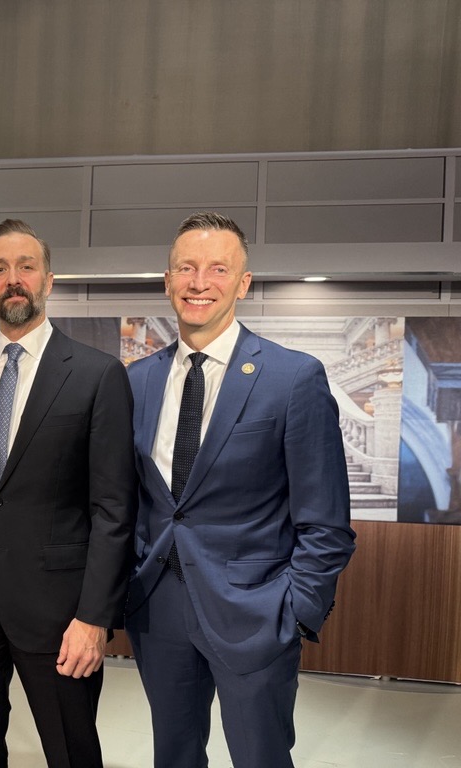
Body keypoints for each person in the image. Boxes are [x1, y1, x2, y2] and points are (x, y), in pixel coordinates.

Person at [124, 211, 357, 768]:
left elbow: (325, 521)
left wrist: (295, 611)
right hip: (159, 610)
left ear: (244, 284)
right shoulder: (136, 381)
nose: (199, 282)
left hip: (257, 611)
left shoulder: (293, 377)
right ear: (167, 280)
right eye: (186, 267)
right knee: (173, 757)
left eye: (218, 268)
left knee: (261, 759)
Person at [0, 219, 137, 768]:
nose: (13, 279)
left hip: (61, 615)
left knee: (71, 751)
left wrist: (95, 617)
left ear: (49, 279)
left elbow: (114, 508)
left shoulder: (97, 375)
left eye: (26, 266)